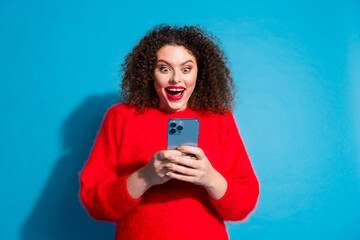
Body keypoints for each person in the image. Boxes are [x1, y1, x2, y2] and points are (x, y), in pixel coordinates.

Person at [80, 25, 259, 240]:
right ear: (150, 73)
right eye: (164, 68)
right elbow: (94, 203)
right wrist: (145, 177)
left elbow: (242, 206)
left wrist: (209, 177)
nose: (176, 79)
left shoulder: (219, 119)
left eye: (186, 69)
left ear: (199, 73)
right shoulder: (120, 117)